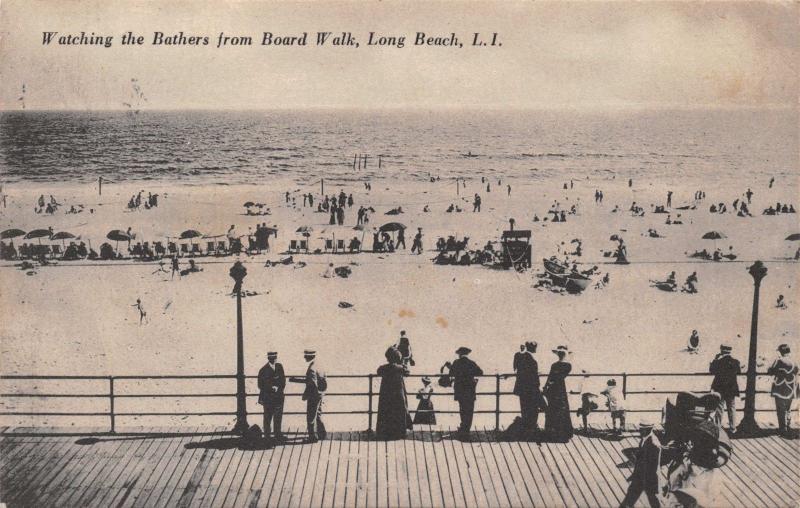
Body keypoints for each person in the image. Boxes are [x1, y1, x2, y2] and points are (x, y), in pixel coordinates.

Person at [620, 421, 663, 508]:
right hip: (640, 477)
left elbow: (653, 466)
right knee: (629, 500)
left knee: (653, 501)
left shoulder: (654, 444)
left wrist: (642, 478)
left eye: (642, 429)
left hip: (649, 478)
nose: (639, 430)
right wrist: (635, 475)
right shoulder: (644, 439)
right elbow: (640, 460)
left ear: (648, 429)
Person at [289, 350, 327, 442]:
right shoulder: (319, 365)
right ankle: (322, 434)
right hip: (320, 393)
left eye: (306, 356)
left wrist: (307, 395)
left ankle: (312, 437)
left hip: (313, 395)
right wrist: (296, 380)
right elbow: (319, 379)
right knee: (318, 414)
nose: (304, 358)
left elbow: (312, 384)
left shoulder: (311, 368)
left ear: (310, 357)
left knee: (311, 417)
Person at [375, 348, 411, 440]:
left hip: (386, 394)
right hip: (398, 393)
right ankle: (399, 433)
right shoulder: (401, 368)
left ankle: (385, 432)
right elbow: (407, 372)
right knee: (399, 411)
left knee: (386, 411)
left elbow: (378, 371)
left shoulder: (383, 368)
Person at [449, 346, 483, 436]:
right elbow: (480, 372)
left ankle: (462, 428)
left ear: (459, 354)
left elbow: (451, 373)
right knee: (469, 410)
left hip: (460, 390)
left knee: (462, 409)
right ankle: (466, 429)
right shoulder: (471, 363)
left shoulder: (456, 363)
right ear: (467, 354)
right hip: (470, 390)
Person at [543, 345, 573, 441]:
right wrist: (547, 385)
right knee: (557, 409)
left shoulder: (562, 365)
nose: (560, 355)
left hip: (556, 389)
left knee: (557, 409)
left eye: (561, 353)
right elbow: (552, 377)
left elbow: (555, 377)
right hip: (557, 389)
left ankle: (557, 433)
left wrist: (548, 384)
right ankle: (558, 433)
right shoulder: (560, 365)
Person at [708, 344, 741, 433]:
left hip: (720, 388)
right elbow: (739, 371)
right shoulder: (735, 362)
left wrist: (715, 359)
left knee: (719, 409)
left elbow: (711, 371)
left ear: (721, 350)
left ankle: (718, 428)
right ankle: (733, 428)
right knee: (732, 408)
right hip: (731, 389)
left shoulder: (719, 362)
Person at [768, 344, 798, 436]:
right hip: (791, 388)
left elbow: (770, 371)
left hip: (780, 388)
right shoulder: (794, 360)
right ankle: (788, 426)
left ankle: (783, 429)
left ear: (781, 352)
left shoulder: (779, 360)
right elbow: (797, 370)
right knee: (788, 409)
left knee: (780, 409)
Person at [513, 341, 542, 433]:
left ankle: (526, 429)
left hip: (522, 388)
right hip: (531, 389)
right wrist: (538, 387)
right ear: (533, 348)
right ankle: (531, 428)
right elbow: (533, 376)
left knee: (524, 408)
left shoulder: (521, 357)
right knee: (533, 409)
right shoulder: (532, 360)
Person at [257, 351, 286, 441]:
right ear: (269, 359)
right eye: (272, 358)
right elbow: (260, 385)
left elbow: (283, 381)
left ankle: (278, 434)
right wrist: (271, 388)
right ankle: (267, 436)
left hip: (278, 397)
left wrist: (278, 387)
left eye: (275, 358)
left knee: (278, 417)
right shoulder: (263, 370)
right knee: (267, 417)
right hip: (268, 398)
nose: (274, 360)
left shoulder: (279, 367)